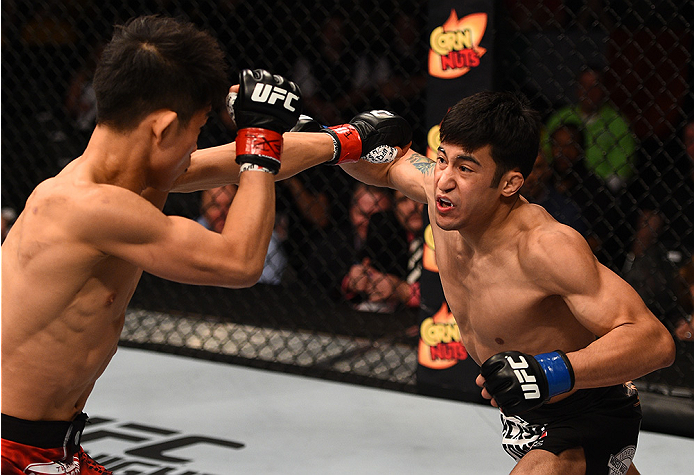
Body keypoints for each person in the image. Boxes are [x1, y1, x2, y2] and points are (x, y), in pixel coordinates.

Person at [1, 15, 412, 475]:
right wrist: (259, 141)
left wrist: (346, 141)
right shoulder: (87, 207)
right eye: (195, 129)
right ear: (161, 129)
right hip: (12, 450)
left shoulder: (121, 172)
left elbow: (223, 162)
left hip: (49, 445)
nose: (196, 144)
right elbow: (238, 261)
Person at [330, 91, 675, 474]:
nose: (443, 180)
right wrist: (333, 141)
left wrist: (548, 372)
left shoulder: (546, 247)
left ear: (509, 183)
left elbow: (655, 341)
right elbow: (382, 165)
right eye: (442, 159)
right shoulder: (444, 194)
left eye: (466, 168)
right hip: (528, 410)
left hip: (587, 408)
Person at [544, 66, 637, 192]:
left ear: (604, 89)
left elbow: (622, 168)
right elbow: (544, 153)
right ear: (577, 88)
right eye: (584, 85)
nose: (589, 91)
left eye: (595, 86)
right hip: (557, 184)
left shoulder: (618, 122)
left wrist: (601, 192)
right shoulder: (560, 117)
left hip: (600, 189)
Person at [343, 190, 424, 310]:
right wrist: (353, 281)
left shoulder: (454, 239)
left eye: (418, 197)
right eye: (403, 200)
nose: (412, 207)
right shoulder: (387, 232)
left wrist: (405, 292)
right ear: (395, 208)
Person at [198, 185, 287, 285]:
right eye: (215, 206)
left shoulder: (265, 242)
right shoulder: (193, 233)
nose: (223, 213)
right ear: (203, 211)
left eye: (230, 205)